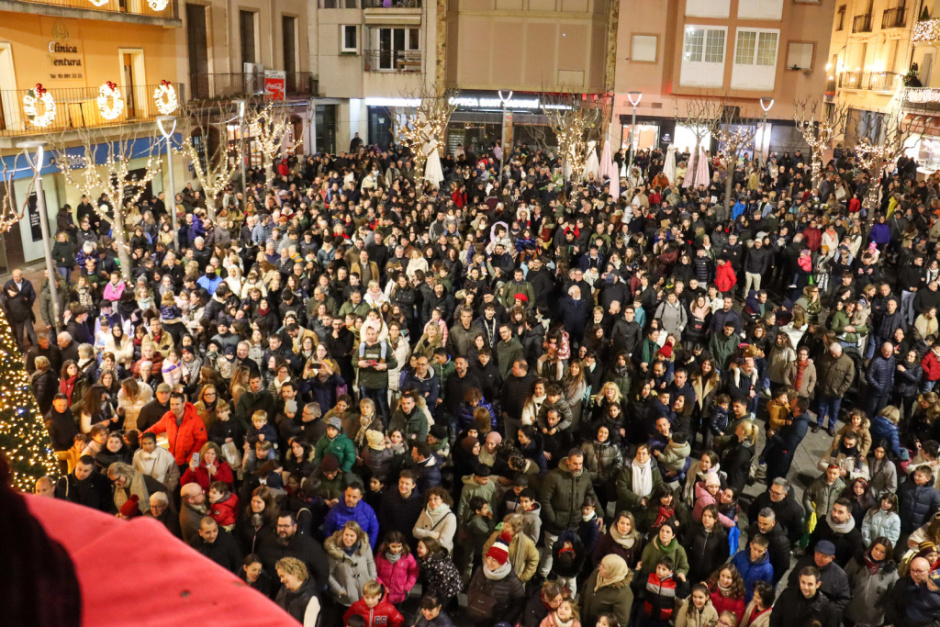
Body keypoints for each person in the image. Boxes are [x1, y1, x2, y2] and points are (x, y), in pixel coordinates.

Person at [769, 567, 840, 627]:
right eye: (803, 582)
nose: (805, 587)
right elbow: (775, 618)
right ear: (799, 580)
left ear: (818, 584)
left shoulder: (828, 608)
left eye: (810, 584)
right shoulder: (787, 594)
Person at [274, 557, 322, 626]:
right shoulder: (284, 591)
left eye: (282, 576)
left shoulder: (311, 599)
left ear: (293, 573)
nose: (281, 580)